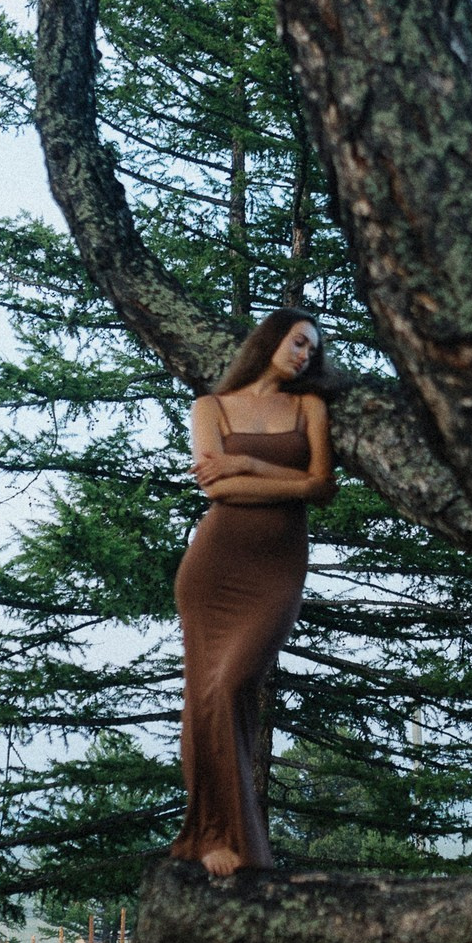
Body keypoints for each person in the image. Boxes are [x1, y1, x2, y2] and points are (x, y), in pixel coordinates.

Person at [171, 308, 337, 877]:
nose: (305, 355)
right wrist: (287, 483)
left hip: (277, 571)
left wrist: (245, 462)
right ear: (270, 340)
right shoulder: (210, 407)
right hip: (213, 568)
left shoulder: (308, 407)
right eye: (298, 342)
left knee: (234, 682)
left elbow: (322, 486)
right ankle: (214, 837)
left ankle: (228, 833)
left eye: (312, 349)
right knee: (207, 694)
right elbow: (217, 490)